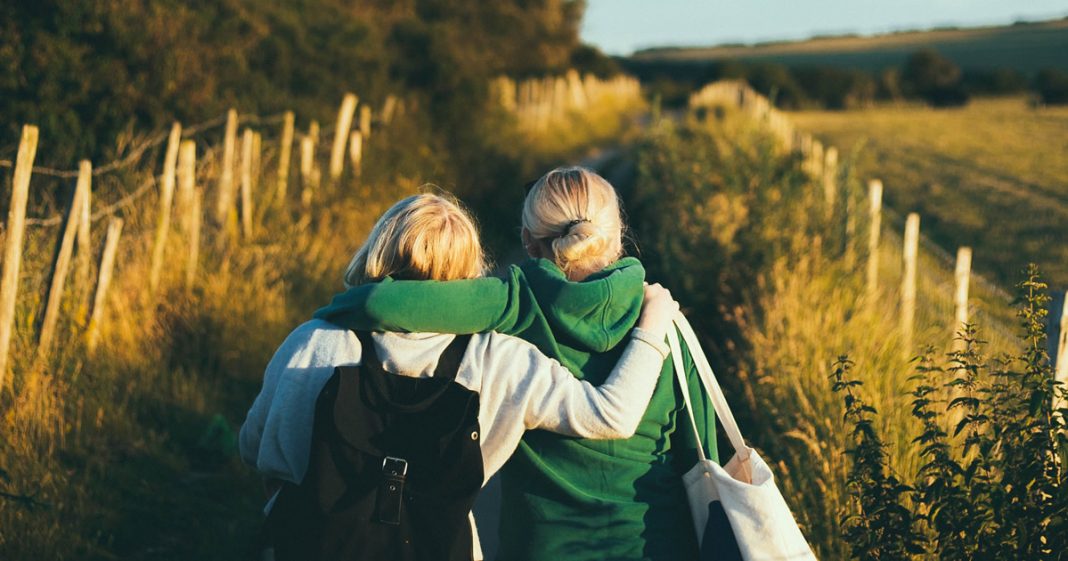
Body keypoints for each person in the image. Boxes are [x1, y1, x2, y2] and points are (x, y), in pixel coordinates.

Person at [238, 192, 681, 561]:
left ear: (377, 249)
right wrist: (652, 326)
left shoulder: (314, 343)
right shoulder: (499, 359)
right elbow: (611, 415)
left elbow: (257, 448)